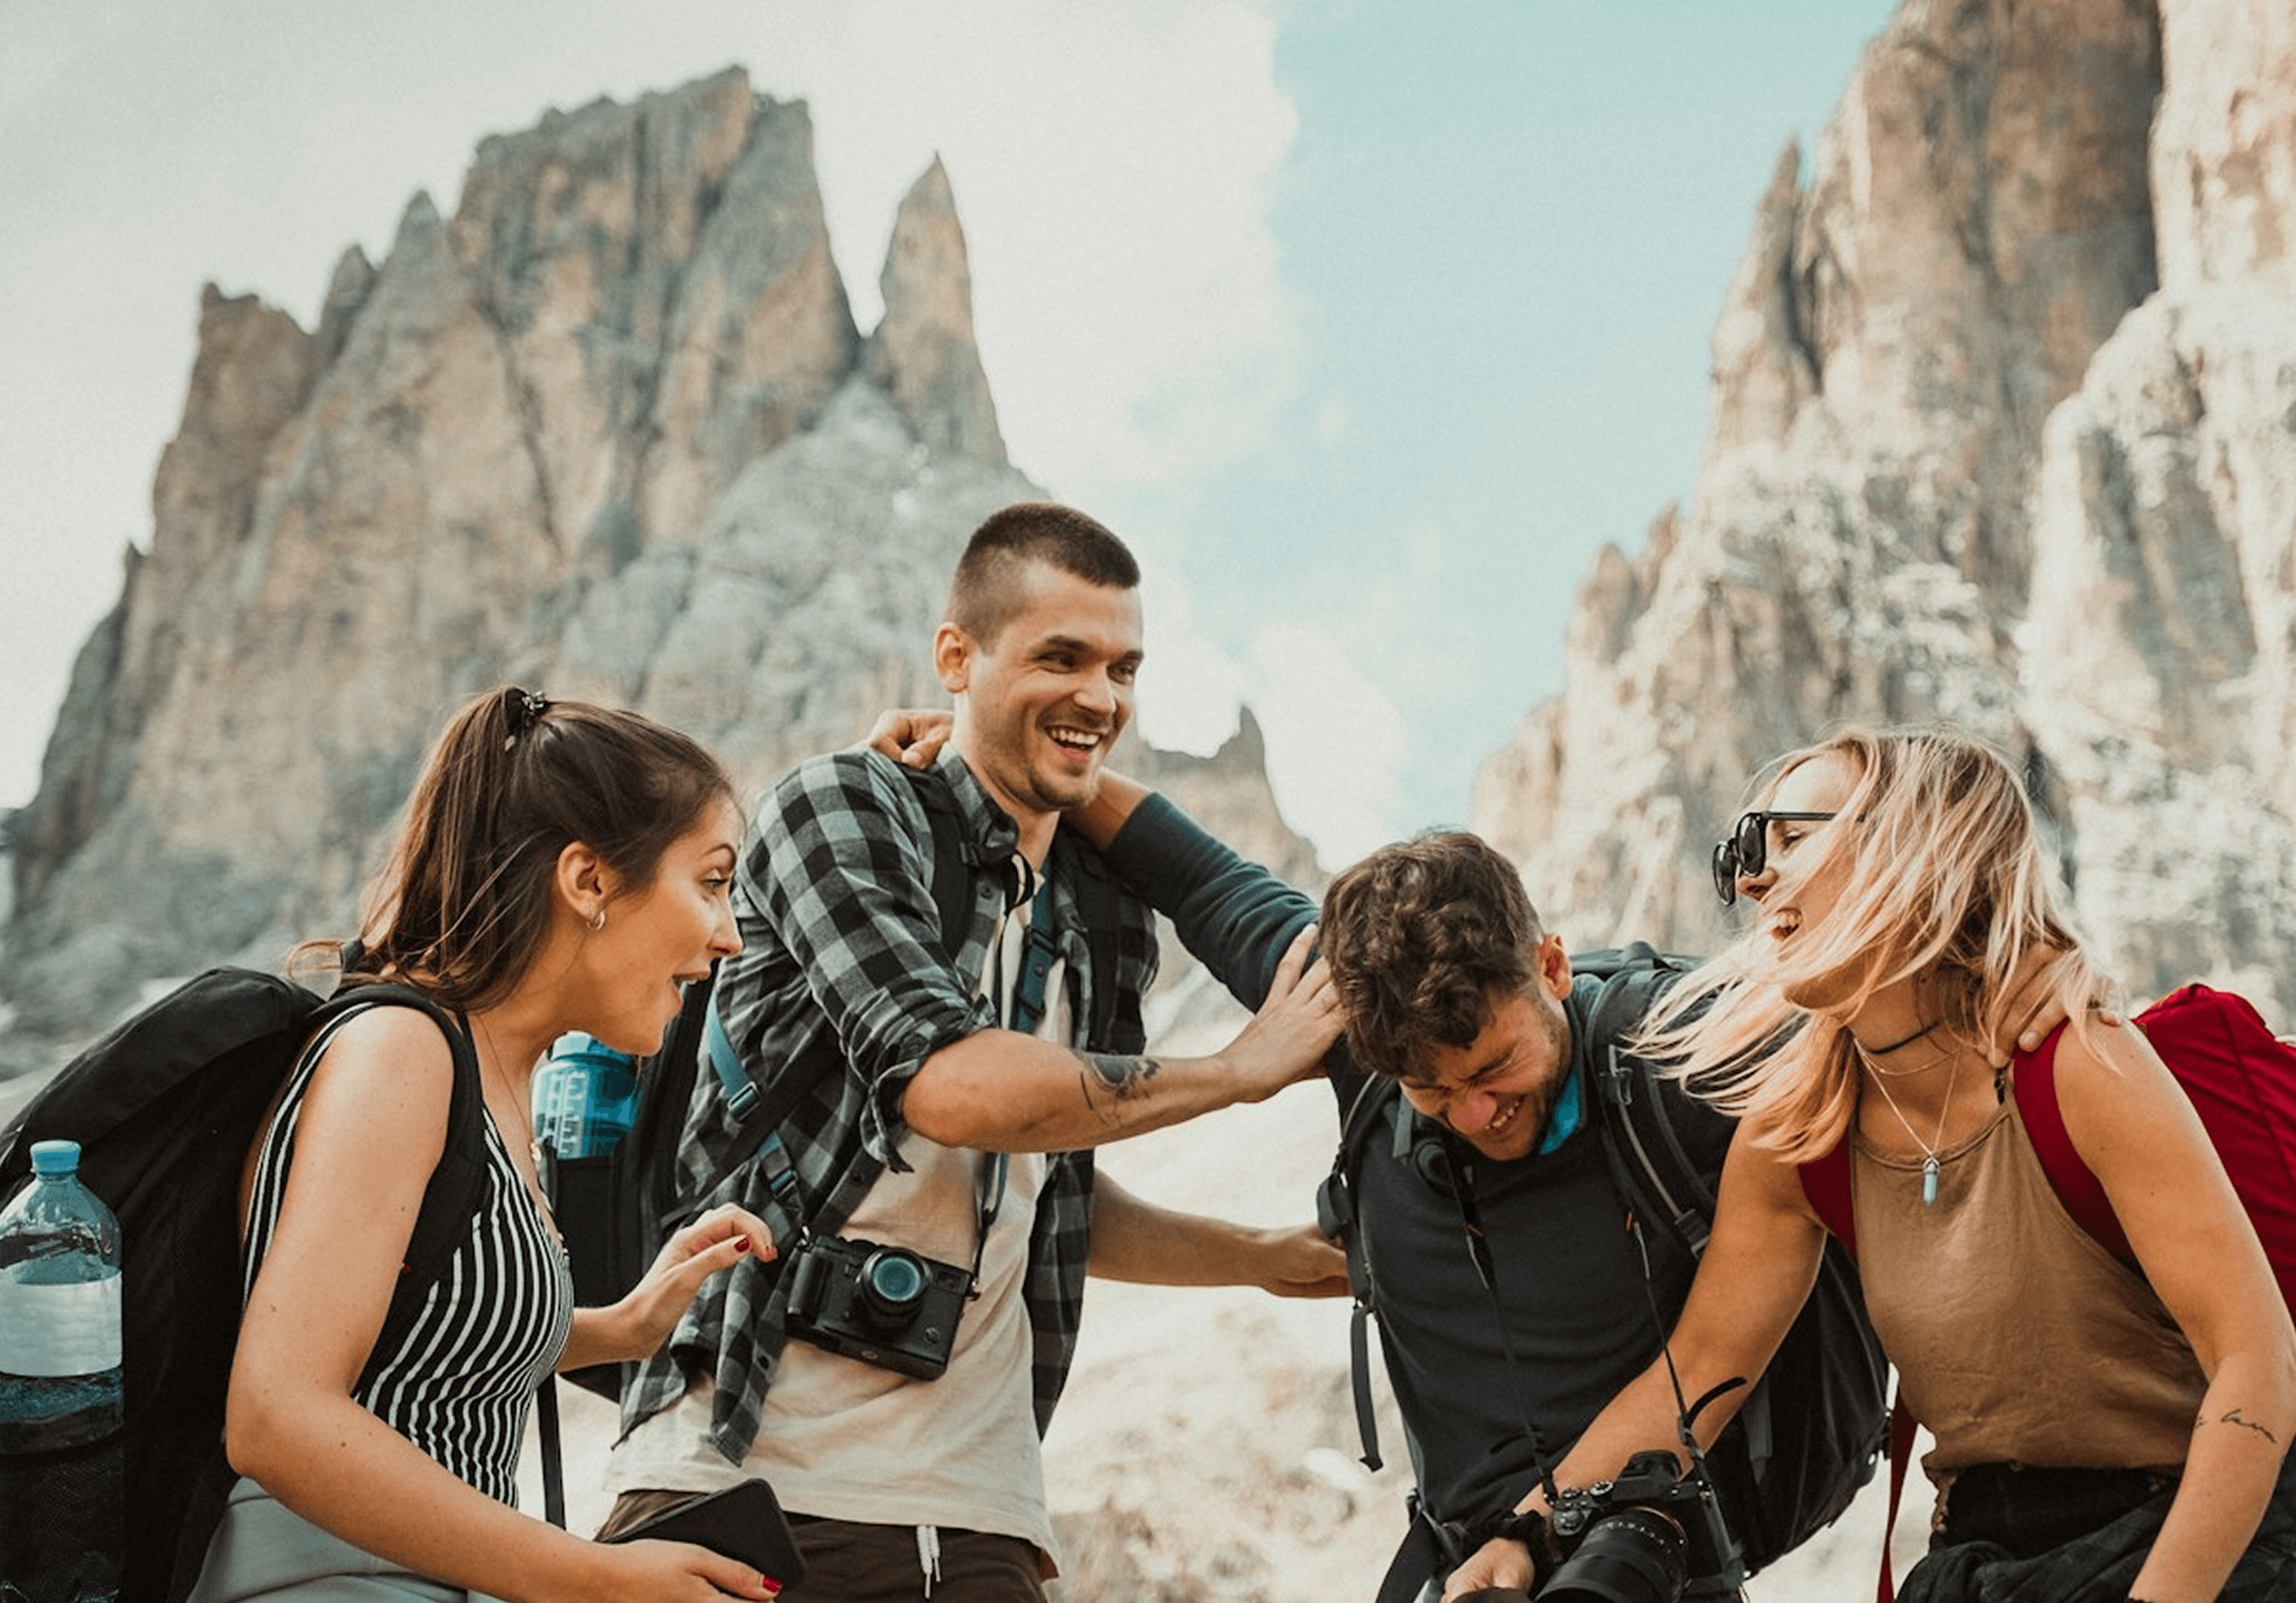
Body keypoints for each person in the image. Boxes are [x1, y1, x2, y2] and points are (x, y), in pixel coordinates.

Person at [992, 759, 2060, 1603]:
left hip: (1671, 1545)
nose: (1472, 1113)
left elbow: (1916, 1020)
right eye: (1429, 1088)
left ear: (1551, 966)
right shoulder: (1356, 1026)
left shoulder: (1689, 1047)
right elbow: (1194, 874)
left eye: (1496, 1068)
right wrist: (995, 750)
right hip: (1468, 1566)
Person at [601, 502, 1347, 1602]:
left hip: (982, 1522)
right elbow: (951, 1089)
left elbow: (1049, 1175)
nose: (1102, 696)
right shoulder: (841, 807)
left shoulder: (1101, 917)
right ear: (956, 655)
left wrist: (1258, 1256)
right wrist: (1237, 1075)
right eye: (1062, 657)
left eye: (1123, 669)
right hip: (742, 1485)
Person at [1447, 725, 2296, 1603]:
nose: (1753, 877)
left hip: (2196, 1540)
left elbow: (2262, 1367)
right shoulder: (1801, 1127)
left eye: (1791, 838)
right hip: (1981, 1553)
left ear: (1917, 847)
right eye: (1743, 853)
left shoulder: (2077, 1063)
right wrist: (1528, 1529)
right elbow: (1699, 1371)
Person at [201, 686, 785, 1603]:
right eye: (711, 882)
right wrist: (599, 1578)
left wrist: (625, 1324)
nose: (729, 934)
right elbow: (276, 1416)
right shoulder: (403, 1054)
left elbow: (422, 1333)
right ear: (589, 881)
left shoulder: (490, 1078)